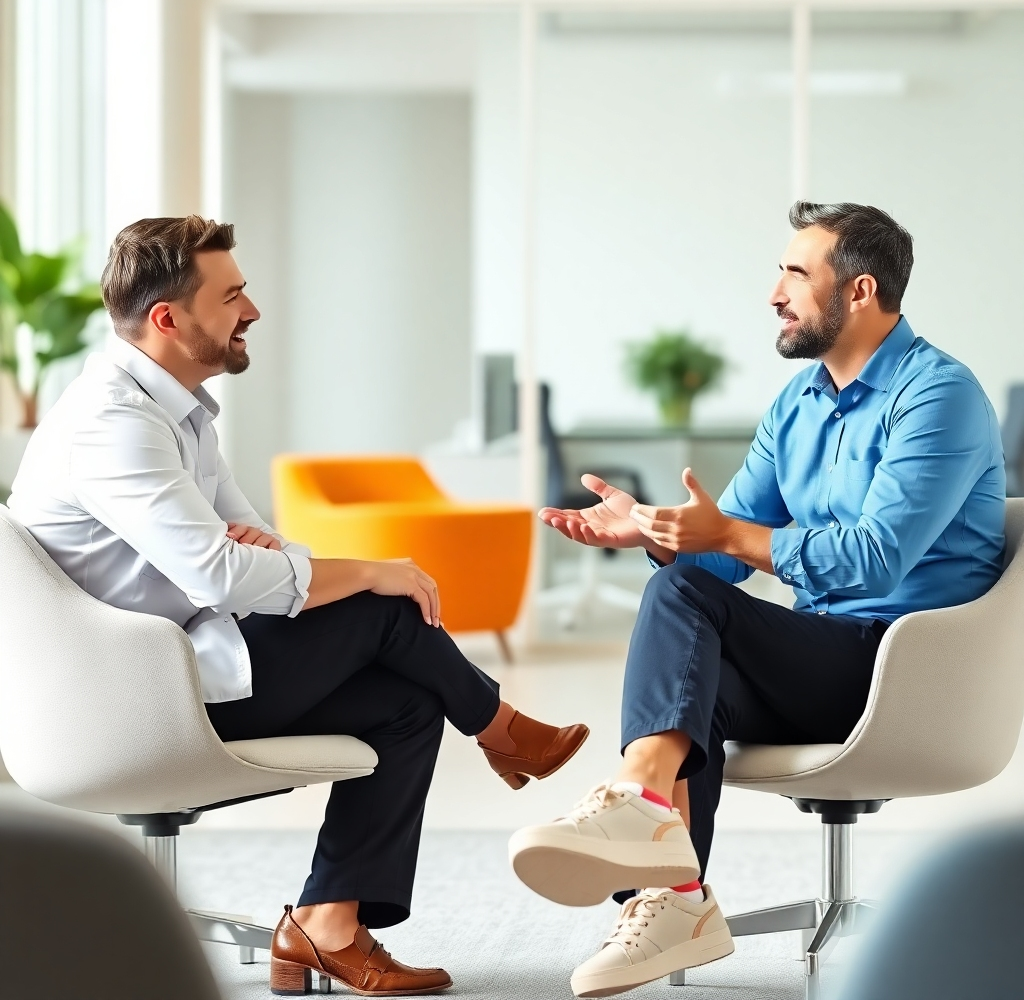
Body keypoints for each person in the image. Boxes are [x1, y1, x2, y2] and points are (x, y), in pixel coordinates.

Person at [8, 216, 589, 997]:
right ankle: (499, 728)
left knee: (409, 702)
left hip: (182, 662)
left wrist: (265, 563)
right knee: (383, 606)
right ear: (168, 319)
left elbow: (264, 551)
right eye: (231, 296)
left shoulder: (179, 413)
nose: (251, 311)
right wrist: (353, 569)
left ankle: (327, 925)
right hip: (128, 702)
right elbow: (225, 574)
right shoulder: (113, 423)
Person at [509, 201, 1006, 998]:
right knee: (686, 639)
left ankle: (639, 811)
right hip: (825, 659)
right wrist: (654, 532)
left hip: (908, 666)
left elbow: (875, 561)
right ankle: (673, 898)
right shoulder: (798, 404)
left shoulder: (938, 395)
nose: (775, 294)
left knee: (684, 601)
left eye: (796, 274)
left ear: (860, 291)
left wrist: (721, 539)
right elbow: (724, 553)